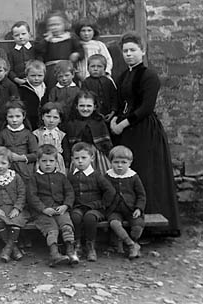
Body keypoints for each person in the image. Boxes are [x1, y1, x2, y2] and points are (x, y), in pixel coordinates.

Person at [110, 31, 179, 234]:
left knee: (144, 172)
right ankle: (128, 222)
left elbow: (146, 107)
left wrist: (122, 125)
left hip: (143, 129)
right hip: (125, 129)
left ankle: (152, 225)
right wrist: (114, 118)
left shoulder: (149, 75)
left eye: (133, 50)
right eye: (125, 51)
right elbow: (119, 102)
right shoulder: (124, 74)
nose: (129, 54)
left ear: (143, 51)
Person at [27, 144, 78, 266]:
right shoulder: (34, 178)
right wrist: (43, 209)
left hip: (59, 209)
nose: (48, 164)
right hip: (42, 212)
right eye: (44, 161)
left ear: (56, 162)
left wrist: (66, 205)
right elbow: (32, 197)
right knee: (52, 229)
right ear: (38, 162)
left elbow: (70, 193)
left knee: (66, 225)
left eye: (51, 161)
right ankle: (54, 254)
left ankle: (70, 251)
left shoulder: (61, 177)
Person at [67, 142, 115, 262]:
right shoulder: (71, 176)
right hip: (78, 207)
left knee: (90, 218)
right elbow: (68, 192)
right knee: (75, 217)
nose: (80, 161)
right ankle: (77, 244)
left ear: (92, 158)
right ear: (72, 160)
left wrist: (102, 204)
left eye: (84, 158)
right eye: (77, 158)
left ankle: (90, 246)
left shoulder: (97, 175)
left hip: (95, 208)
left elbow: (110, 191)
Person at [0, 146, 29, 262]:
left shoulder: (15, 177)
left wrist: (17, 208)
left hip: (13, 208)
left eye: (3, 163)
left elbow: (22, 194)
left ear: (9, 164)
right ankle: (14, 249)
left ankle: (8, 249)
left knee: (16, 221)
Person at [105, 145, 145, 259]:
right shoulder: (107, 176)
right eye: (116, 162)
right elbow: (102, 192)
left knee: (137, 227)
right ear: (110, 162)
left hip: (131, 210)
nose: (119, 165)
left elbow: (141, 195)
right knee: (114, 223)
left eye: (123, 162)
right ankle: (131, 244)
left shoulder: (133, 177)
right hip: (114, 210)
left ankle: (134, 242)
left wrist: (138, 208)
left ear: (130, 163)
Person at [65, 90, 112, 174]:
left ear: (94, 107)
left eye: (89, 106)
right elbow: (68, 146)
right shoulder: (71, 123)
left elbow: (106, 144)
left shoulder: (99, 122)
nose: (85, 109)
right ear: (76, 106)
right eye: (82, 106)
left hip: (97, 156)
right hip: (78, 155)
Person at [35, 11, 83, 91]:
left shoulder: (70, 38)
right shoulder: (44, 39)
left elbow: (81, 50)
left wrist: (77, 54)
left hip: (67, 68)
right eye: (51, 25)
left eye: (57, 25)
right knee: (53, 89)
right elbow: (38, 51)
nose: (54, 27)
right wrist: (46, 40)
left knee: (71, 89)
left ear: (65, 25)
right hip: (51, 71)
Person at [0, 99, 38, 183]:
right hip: (7, 170)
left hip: (25, 171)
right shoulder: (2, 134)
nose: (14, 120)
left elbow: (36, 154)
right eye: (11, 117)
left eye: (18, 116)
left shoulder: (28, 134)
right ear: (6, 117)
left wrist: (20, 157)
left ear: (24, 116)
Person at [33, 102, 70, 173]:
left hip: (57, 164)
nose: (51, 120)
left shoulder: (62, 135)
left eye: (55, 117)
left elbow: (66, 154)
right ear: (42, 117)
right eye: (48, 116)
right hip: (42, 162)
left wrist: (67, 167)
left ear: (60, 120)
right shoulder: (36, 134)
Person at [81, 54, 118, 122]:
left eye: (99, 66)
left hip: (109, 115)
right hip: (91, 116)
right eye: (92, 66)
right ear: (88, 68)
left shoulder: (108, 82)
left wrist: (113, 112)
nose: (95, 69)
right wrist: (96, 113)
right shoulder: (86, 82)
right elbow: (84, 100)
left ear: (104, 68)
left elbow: (114, 98)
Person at [18, 60, 48, 130]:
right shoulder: (22, 89)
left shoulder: (47, 88)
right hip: (29, 122)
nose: (36, 78)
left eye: (40, 76)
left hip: (45, 122)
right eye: (33, 76)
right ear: (27, 75)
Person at [7, 21, 38, 86]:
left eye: (23, 34)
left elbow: (40, 65)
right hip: (19, 83)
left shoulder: (35, 49)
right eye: (17, 35)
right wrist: (17, 79)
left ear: (29, 34)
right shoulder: (11, 53)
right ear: (13, 37)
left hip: (36, 81)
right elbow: (10, 70)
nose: (20, 37)